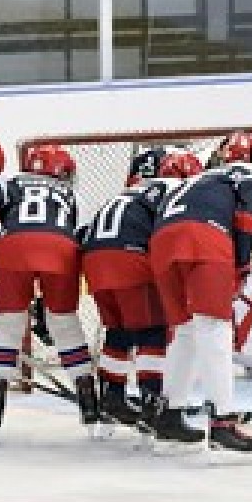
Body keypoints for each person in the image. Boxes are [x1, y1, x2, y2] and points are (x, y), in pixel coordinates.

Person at [149, 132, 252, 455]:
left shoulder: (200, 179)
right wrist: (242, 267)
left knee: (186, 332)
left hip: (162, 241)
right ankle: (223, 424)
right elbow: (247, 221)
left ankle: (170, 417)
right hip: (203, 239)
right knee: (214, 328)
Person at [0, 143, 103, 439]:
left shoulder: (8, 181)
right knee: (65, 324)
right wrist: (50, 300)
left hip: (12, 248)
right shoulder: (72, 194)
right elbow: (82, 236)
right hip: (61, 249)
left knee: (8, 325)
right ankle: (88, 401)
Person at [80, 149, 199, 433]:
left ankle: (112, 396)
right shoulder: (169, 189)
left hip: (94, 264)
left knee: (119, 332)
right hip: (131, 261)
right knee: (153, 331)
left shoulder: (124, 194)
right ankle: (152, 402)